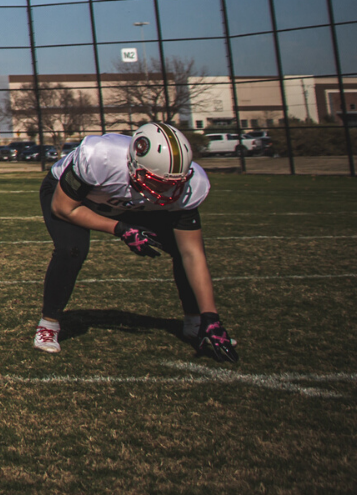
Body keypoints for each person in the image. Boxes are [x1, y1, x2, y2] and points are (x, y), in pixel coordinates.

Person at [34, 123, 236, 361]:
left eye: (174, 183)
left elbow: (193, 253)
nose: (166, 189)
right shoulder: (100, 156)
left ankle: (197, 322)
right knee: (72, 249)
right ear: (133, 165)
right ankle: (49, 324)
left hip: (130, 202)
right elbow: (63, 209)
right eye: (157, 181)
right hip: (76, 199)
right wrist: (120, 229)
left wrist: (211, 316)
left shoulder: (190, 185)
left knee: (181, 250)